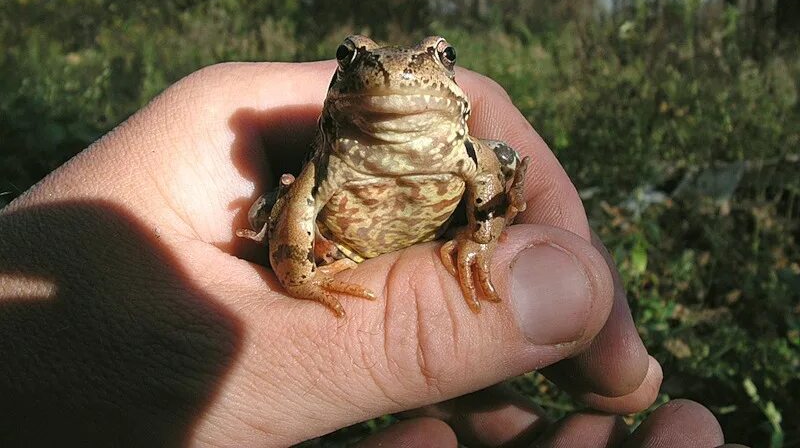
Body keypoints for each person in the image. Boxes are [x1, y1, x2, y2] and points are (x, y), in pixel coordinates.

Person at [0, 61, 746, 447]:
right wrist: (300, 276)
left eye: (435, 61)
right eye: (355, 62)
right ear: (342, 81)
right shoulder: (336, 149)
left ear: (448, 80)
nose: (397, 77)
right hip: (344, 245)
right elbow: (297, 215)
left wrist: (482, 235)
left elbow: (495, 179)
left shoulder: (465, 144)